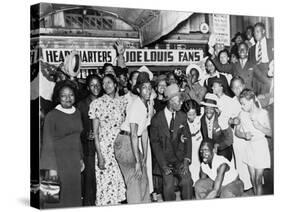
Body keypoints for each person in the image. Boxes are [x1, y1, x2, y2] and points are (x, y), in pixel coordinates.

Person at [40, 80, 84, 208]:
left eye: (71, 95)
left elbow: (78, 138)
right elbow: (47, 147)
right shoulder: (51, 116)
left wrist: (81, 159)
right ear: (58, 98)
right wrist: (50, 173)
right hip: (57, 164)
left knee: (73, 197)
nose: (68, 98)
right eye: (63, 96)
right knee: (55, 201)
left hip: (74, 164)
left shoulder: (77, 113)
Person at [114, 72, 152, 203]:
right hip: (126, 141)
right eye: (144, 88)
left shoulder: (146, 105)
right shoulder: (136, 105)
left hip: (132, 142)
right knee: (134, 180)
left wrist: (144, 158)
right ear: (138, 90)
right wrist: (137, 161)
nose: (148, 90)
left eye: (149, 87)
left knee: (144, 178)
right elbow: (134, 134)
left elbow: (145, 131)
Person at [150, 84, 193, 201]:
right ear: (170, 101)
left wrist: (186, 160)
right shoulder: (156, 120)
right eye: (179, 101)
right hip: (165, 161)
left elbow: (188, 139)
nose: (181, 103)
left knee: (187, 180)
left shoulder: (182, 117)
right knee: (168, 186)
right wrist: (163, 166)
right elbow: (155, 145)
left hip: (179, 160)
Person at [89, 74, 126, 206]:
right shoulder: (97, 104)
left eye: (109, 82)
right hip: (105, 150)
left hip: (120, 149)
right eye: (104, 83)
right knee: (106, 190)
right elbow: (96, 132)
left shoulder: (123, 102)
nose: (106, 86)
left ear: (116, 84)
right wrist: (99, 154)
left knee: (118, 189)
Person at [235, 89, 272, 195]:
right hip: (249, 147)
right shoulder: (242, 114)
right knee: (252, 178)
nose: (242, 106)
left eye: (243, 104)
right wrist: (243, 135)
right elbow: (237, 132)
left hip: (260, 147)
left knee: (258, 179)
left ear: (251, 101)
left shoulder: (263, 113)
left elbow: (271, 133)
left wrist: (259, 126)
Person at [77, 74, 103, 206]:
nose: (96, 87)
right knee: (89, 184)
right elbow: (76, 129)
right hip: (89, 149)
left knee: (103, 183)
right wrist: (85, 135)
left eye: (98, 84)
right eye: (92, 85)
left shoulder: (105, 101)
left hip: (104, 149)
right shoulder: (82, 105)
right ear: (87, 87)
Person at [229, 77, 253, 192]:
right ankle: (246, 186)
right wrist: (233, 120)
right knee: (241, 161)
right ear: (232, 90)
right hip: (238, 136)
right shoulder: (231, 102)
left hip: (251, 134)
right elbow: (227, 119)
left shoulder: (251, 98)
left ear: (244, 85)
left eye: (240, 86)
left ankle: (256, 183)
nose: (238, 90)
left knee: (253, 159)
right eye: (235, 88)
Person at [200, 93, 233, 161]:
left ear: (215, 109)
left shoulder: (221, 119)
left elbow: (230, 139)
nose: (208, 111)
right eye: (206, 108)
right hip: (210, 152)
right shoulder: (202, 119)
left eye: (211, 108)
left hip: (223, 151)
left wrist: (218, 146)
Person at [248, 22, 273, 95]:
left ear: (263, 31)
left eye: (257, 31)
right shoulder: (252, 49)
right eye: (254, 32)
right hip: (256, 79)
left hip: (269, 75)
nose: (255, 34)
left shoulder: (272, 42)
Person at [182, 99, 203, 184]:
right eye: (189, 114)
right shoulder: (183, 121)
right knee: (193, 163)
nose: (192, 116)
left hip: (199, 139)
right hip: (191, 142)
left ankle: (200, 182)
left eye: (194, 114)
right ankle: (193, 184)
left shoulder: (199, 116)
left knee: (200, 162)